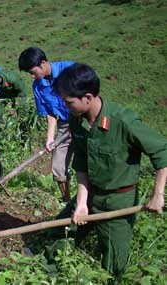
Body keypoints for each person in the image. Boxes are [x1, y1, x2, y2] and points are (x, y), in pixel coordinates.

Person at [52, 63, 167, 276]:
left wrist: (157, 195)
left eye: (69, 102)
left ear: (87, 97)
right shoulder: (77, 121)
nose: (66, 107)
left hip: (118, 202)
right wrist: (81, 204)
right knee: (56, 235)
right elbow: (81, 164)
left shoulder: (123, 121)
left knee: (115, 267)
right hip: (91, 193)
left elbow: (162, 151)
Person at [18, 47, 75, 202]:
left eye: (32, 72)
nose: (32, 76)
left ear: (43, 63)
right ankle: (67, 201)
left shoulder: (70, 70)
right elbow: (49, 112)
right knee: (58, 167)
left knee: (90, 164)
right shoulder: (38, 86)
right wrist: (50, 137)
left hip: (86, 122)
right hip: (65, 125)